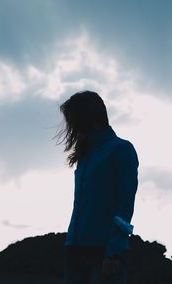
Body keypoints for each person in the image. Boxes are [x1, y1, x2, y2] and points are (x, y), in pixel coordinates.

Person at [57, 90, 139, 284]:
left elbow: (125, 203)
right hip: (75, 250)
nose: (71, 126)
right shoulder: (84, 156)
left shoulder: (121, 149)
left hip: (103, 254)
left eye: (74, 120)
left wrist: (113, 253)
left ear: (88, 118)